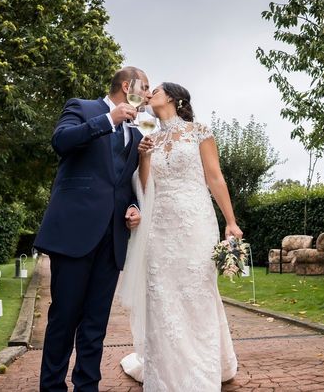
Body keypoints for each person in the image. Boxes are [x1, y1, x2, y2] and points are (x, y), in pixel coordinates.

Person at [117, 82, 242, 391]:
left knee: (197, 292)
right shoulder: (150, 135)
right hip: (159, 225)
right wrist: (144, 157)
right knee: (163, 296)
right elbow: (145, 189)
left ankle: (203, 370)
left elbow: (215, 177)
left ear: (171, 97)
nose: (149, 93)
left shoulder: (199, 131)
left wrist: (231, 222)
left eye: (155, 89)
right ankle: (167, 376)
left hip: (196, 221)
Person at [34, 67, 150, 392]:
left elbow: (125, 184)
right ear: (127, 86)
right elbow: (61, 141)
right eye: (145, 87)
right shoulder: (83, 108)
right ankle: (52, 386)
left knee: (96, 323)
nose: (149, 93)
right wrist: (110, 119)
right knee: (64, 317)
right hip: (74, 233)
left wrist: (134, 208)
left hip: (112, 238)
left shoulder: (139, 131)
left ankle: (88, 385)